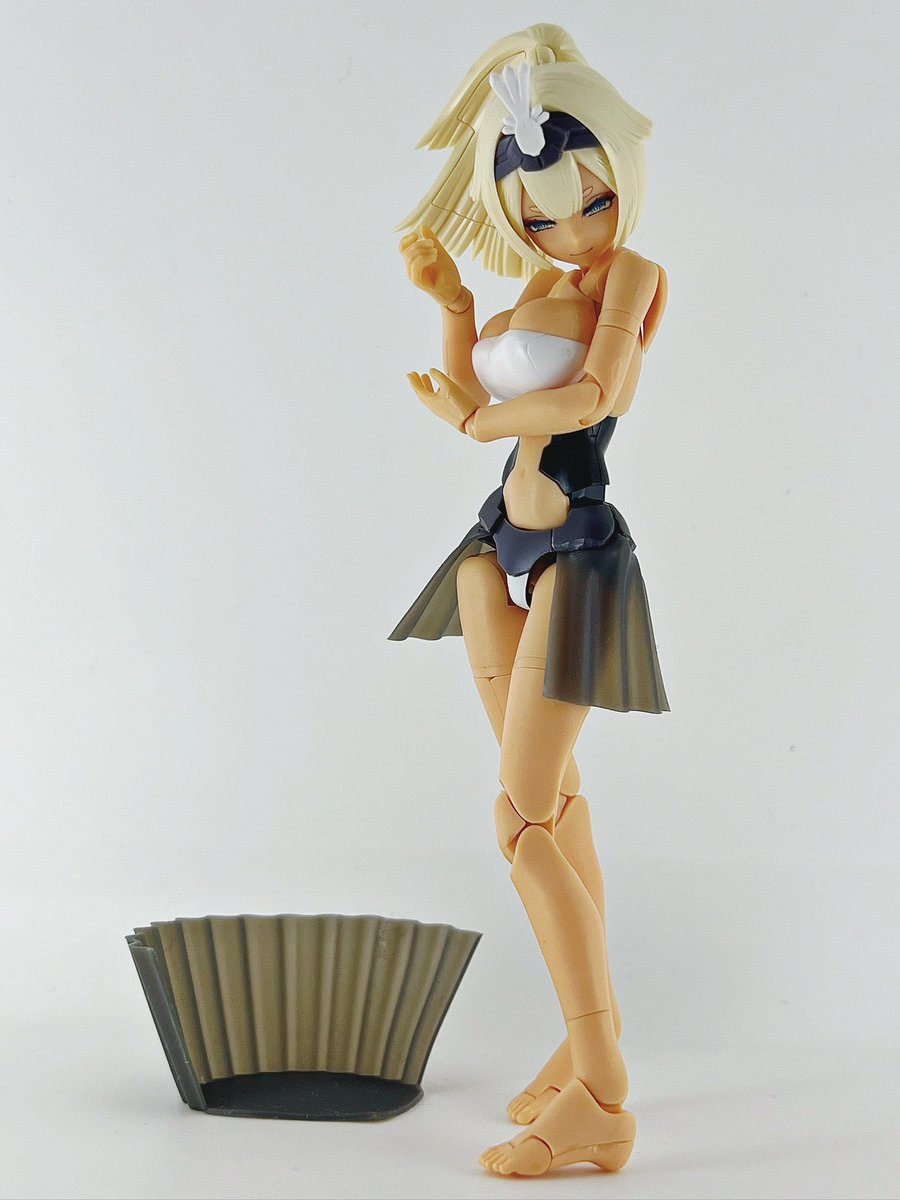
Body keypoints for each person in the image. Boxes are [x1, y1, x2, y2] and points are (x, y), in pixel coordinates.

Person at [389, 24, 668, 1176]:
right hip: (494, 551)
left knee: (523, 819)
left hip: (578, 560)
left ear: (622, 184)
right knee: (557, 805)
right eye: (545, 218)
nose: (572, 231)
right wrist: (456, 303)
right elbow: (478, 379)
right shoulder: (541, 285)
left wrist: (475, 420)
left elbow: (592, 394)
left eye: (592, 203)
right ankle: (582, 1039)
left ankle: (601, 1093)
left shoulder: (632, 281)